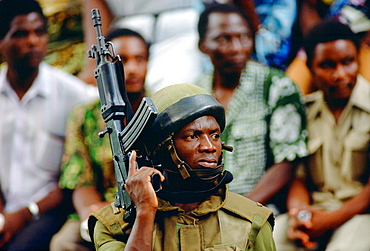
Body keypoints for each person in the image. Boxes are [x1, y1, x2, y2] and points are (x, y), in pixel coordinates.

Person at [88, 83, 276, 250]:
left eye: (215, 135)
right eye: (191, 136)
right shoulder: (112, 226)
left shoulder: (251, 221)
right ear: (161, 148)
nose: (209, 146)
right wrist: (145, 212)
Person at [0, 0, 98, 250]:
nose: (33, 41)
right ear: (2, 42)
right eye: (21, 34)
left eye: (40, 32)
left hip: (50, 210)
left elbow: (75, 175)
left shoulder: (74, 94)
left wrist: (23, 214)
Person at [195, 3, 308, 214]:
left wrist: (237, 209)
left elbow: (287, 163)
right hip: (204, 213)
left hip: (262, 211)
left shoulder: (276, 86)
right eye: (223, 39)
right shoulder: (193, 94)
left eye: (244, 37)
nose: (236, 48)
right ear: (202, 45)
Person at [273, 19, 370, 251]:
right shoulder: (304, 112)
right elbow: (298, 176)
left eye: (348, 62)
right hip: (315, 213)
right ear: (311, 70)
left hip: (359, 216)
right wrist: (299, 215)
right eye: (327, 65)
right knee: (266, 241)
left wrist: (329, 221)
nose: (340, 74)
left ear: (358, 59)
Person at [50, 28, 149, 251]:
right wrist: (91, 213)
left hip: (152, 205)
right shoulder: (83, 116)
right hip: (102, 207)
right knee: (63, 243)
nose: (132, 69)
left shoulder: (160, 109)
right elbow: (80, 179)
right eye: (122, 62)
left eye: (139, 59)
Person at [79, 0, 205, 94]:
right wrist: (94, 63)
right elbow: (96, 6)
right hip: (126, 28)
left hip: (179, 30)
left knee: (173, 94)